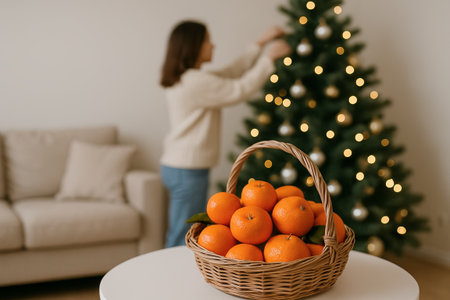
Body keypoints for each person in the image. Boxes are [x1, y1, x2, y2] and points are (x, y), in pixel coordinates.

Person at [159, 20, 291, 247]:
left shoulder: (190, 79)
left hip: (179, 166)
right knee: (183, 234)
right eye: (208, 41)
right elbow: (239, 88)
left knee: (182, 229)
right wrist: (269, 59)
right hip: (187, 170)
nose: (213, 46)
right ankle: (170, 278)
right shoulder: (196, 82)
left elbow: (231, 72)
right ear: (193, 46)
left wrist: (259, 43)